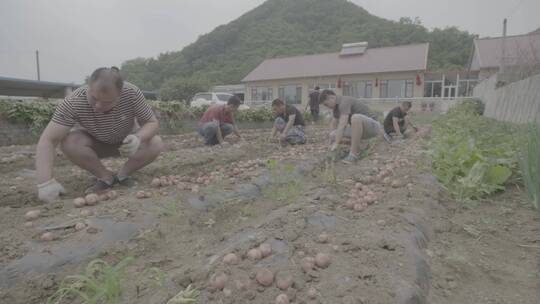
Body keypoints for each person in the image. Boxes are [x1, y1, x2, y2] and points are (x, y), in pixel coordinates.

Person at [36, 67, 164, 203]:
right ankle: (105, 177)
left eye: (107, 102)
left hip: (126, 143)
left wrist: (138, 138)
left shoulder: (131, 93)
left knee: (155, 143)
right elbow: (48, 140)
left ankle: (123, 175)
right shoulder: (74, 101)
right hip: (95, 144)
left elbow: (151, 122)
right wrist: (45, 182)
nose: (97, 106)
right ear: (89, 87)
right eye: (94, 98)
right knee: (69, 142)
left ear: (119, 96)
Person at [319, 89, 381, 164]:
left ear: (331, 98)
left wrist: (336, 143)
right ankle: (361, 144)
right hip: (360, 129)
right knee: (333, 135)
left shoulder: (344, 101)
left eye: (326, 104)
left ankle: (353, 154)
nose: (327, 107)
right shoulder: (335, 108)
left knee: (355, 118)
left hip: (373, 127)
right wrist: (330, 143)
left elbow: (342, 125)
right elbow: (333, 123)